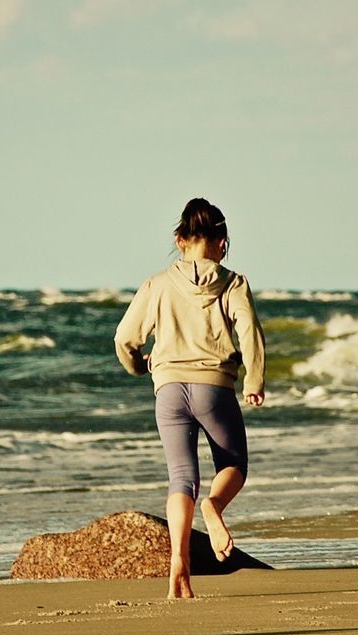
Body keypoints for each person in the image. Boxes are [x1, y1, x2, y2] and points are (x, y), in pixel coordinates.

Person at [114, 198, 265, 599]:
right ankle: (214, 507)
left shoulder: (156, 284)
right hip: (213, 387)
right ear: (221, 242)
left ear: (180, 240)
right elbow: (249, 332)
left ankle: (179, 564)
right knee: (233, 465)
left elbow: (124, 338)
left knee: (181, 479)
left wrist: (138, 367)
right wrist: (254, 378)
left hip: (168, 390)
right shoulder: (233, 283)